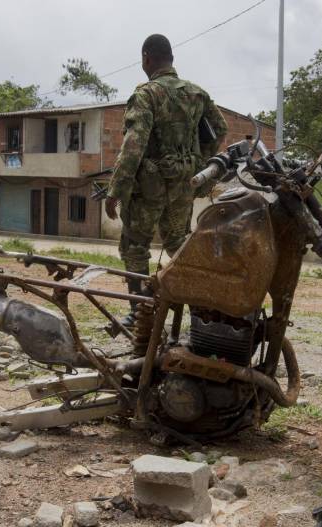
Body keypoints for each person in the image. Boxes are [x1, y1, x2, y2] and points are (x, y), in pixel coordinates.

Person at [105, 34, 228, 326]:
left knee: (135, 246)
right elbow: (221, 129)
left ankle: (138, 310)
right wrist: (198, 162)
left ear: (147, 57)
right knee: (178, 243)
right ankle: (201, 309)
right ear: (171, 59)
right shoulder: (197, 93)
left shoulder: (146, 94)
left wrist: (116, 190)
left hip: (150, 186)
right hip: (184, 183)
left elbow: (133, 145)